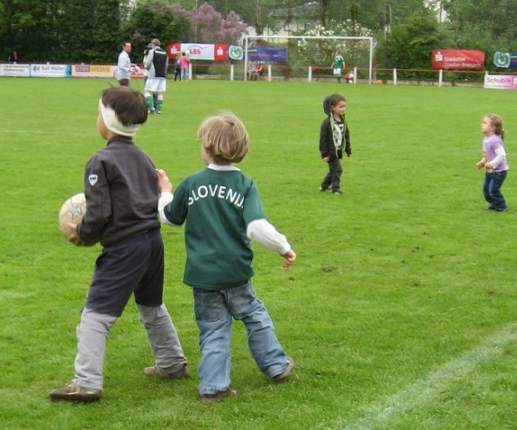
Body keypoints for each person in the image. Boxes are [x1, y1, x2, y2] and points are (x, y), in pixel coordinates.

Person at [49, 87, 188, 403]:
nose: (96, 118)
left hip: (125, 248)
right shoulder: (143, 156)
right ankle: (172, 364)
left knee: (95, 315)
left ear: (108, 121)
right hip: (152, 242)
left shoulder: (100, 161)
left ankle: (86, 382)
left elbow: (98, 213)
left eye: (98, 113)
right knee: (152, 306)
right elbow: (149, 199)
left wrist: (82, 233)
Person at [156, 112, 296, 404]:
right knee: (255, 317)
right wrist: (283, 246)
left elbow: (169, 218)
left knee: (213, 329)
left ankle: (214, 387)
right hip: (236, 273)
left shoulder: (193, 183)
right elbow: (256, 227)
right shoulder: (245, 185)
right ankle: (275, 365)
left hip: (203, 276)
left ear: (206, 148)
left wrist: (166, 193)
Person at [476, 114, 509, 212]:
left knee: (493, 190)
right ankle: (493, 203)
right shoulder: (485, 140)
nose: (482, 125)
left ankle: (502, 206)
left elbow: (502, 155)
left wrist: (492, 164)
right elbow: (487, 155)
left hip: (499, 171)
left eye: (485, 123)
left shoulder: (495, 141)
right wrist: (482, 162)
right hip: (490, 171)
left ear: (492, 128)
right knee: (486, 191)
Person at [319, 94, 351, 195]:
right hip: (331, 152)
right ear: (332, 107)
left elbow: (346, 135)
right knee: (338, 170)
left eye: (344, 107)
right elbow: (323, 140)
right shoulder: (327, 123)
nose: (343, 109)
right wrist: (324, 154)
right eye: (341, 107)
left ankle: (324, 186)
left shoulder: (343, 121)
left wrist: (348, 150)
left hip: (338, 151)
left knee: (333, 170)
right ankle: (335, 188)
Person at [144, 38, 168, 114]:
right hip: (162, 76)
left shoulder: (152, 51)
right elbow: (166, 65)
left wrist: (146, 68)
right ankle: (159, 110)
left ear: (153, 44)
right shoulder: (165, 52)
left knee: (147, 91)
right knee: (160, 93)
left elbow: (148, 63)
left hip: (153, 75)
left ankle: (151, 108)